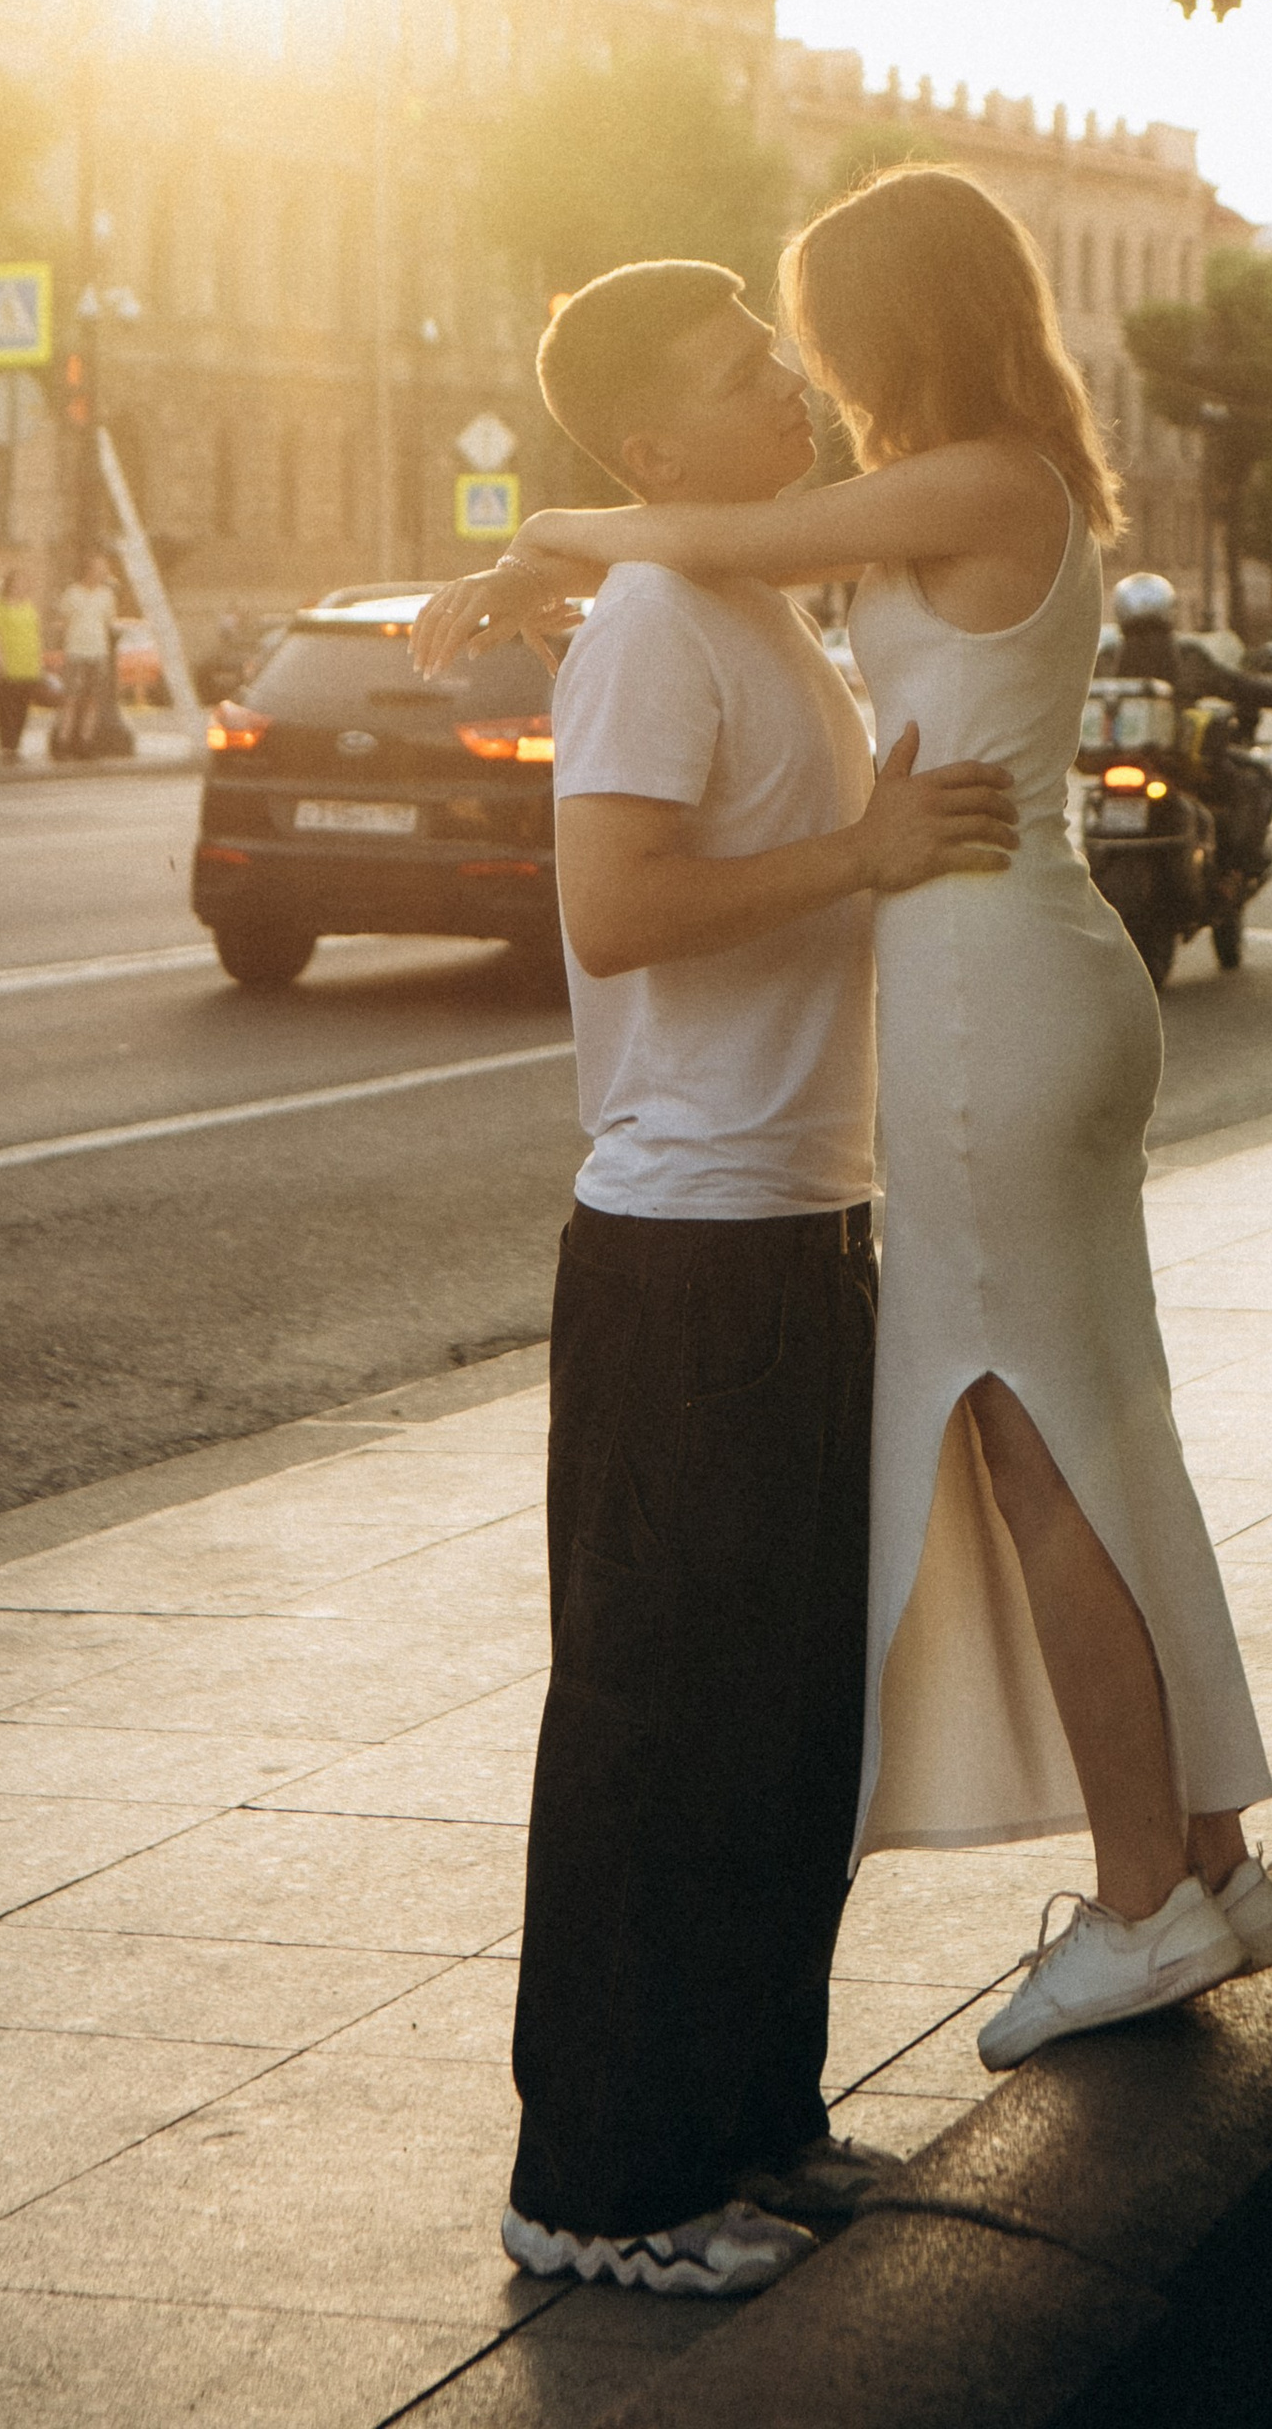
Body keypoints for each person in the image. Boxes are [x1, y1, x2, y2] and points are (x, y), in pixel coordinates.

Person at [419, 167, 1272, 2099]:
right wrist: (561, 576)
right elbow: (740, 572)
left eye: (813, 331)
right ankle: (1210, 1867)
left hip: (994, 995)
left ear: (897, 321)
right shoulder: (991, 483)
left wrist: (526, 530)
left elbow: (727, 526)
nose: (806, 367)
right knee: (1097, 1431)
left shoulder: (973, 479)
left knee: (1033, 1442)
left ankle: (1147, 1898)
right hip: (1025, 980)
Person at [420, 262, 1021, 2301]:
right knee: (657, 1727)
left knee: (784, 1722)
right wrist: (860, 859)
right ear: (655, 450)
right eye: (735, 376)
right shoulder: (664, 630)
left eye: (779, 356)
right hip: (684, 1252)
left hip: (804, 1224)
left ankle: (751, 2116)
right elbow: (613, 905)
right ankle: (592, 2187)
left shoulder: (742, 598)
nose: (787, 386)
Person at [1107, 570, 1272, 890]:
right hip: (1178, 764)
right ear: (1168, 609)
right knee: (1247, 786)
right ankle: (1233, 874)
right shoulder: (1186, 656)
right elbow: (1236, 685)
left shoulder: (1105, 658)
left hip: (1113, 760)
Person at [53, 551, 120, 757]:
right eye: (99, 568)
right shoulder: (73, 593)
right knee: (72, 697)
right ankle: (64, 741)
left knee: (92, 698)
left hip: (98, 651)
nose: (103, 573)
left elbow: (110, 622)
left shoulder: (107, 595)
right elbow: (63, 621)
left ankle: (86, 740)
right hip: (76, 650)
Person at [0, 566, 45, 762]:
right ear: (9, 584)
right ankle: (5, 747)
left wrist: (40, 657)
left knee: (22, 706)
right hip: (8, 663)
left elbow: (36, 633)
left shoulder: (28, 606)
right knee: (5, 706)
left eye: (23, 582)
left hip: (28, 663)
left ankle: (15, 746)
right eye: (17, 582)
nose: (20, 586)